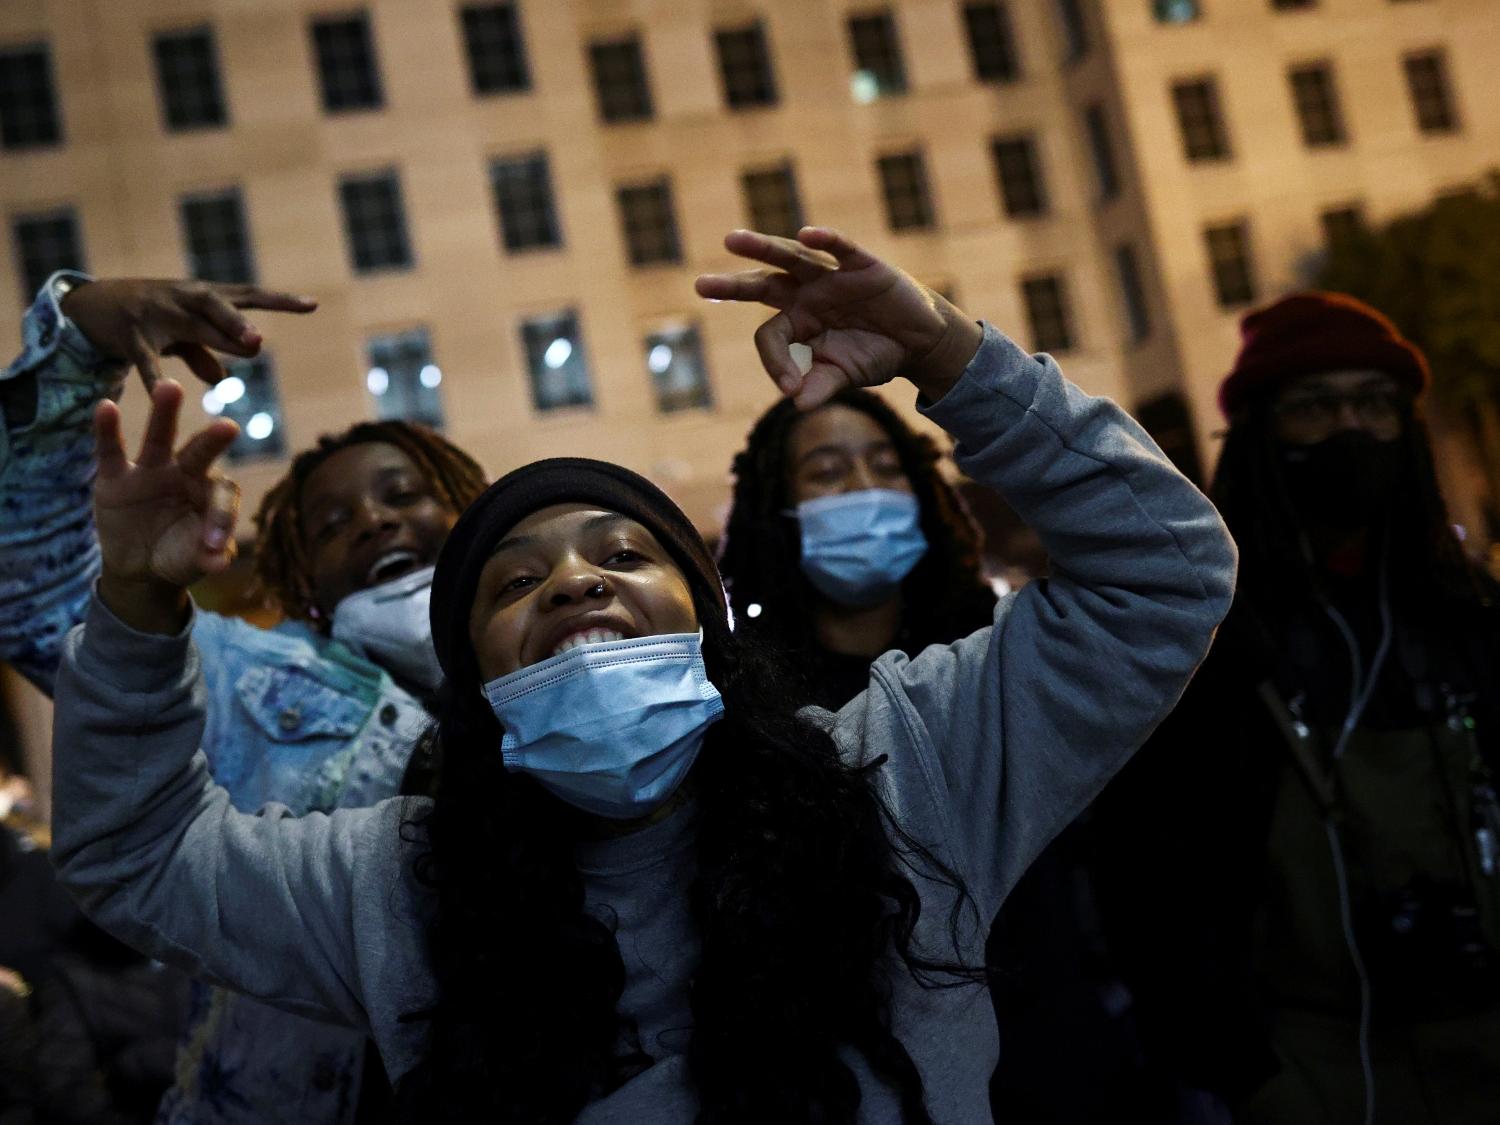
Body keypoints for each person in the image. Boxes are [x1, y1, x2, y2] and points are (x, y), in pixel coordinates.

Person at [49, 227, 1235, 1123]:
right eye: (517, 583)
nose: (576, 583)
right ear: (478, 679)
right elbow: (135, 857)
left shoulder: (902, 776)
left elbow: (1167, 575)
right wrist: (137, 605)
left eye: (623, 556)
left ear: (709, 624)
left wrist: (951, 356)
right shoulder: (395, 890)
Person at [0, 276, 487, 1123]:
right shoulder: (247, 677)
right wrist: (79, 341)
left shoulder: (576, 652)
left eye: (404, 493)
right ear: (304, 586)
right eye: (331, 524)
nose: (374, 521)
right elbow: (33, 593)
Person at [1092, 292, 1500, 1125]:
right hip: (1311, 1065)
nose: (1351, 429)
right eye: (1315, 406)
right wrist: (1249, 1076)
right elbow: (1148, 886)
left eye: (1375, 403)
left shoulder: (1471, 619)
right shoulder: (1203, 643)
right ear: (1261, 434)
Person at [719, 387, 1149, 1120]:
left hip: (1062, 1049)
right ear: (777, 507)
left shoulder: (997, 652)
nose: (864, 489)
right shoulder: (752, 706)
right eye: (826, 472)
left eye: (886, 466)